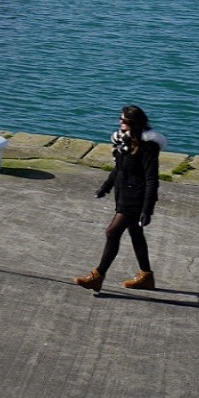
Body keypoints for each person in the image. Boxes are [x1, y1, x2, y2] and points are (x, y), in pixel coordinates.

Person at [75, 105, 164, 293]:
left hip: (136, 198)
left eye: (124, 120)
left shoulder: (147, 146)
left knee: (112, 232)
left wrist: (147, 210)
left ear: (133, 123)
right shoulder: (124, 142)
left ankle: (97, 276)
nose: (120, 122)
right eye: (120, 118)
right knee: (136, 234)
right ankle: (146, 276)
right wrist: (105, 188)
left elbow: (151, 179)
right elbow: (119, 169)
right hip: (123, 194)